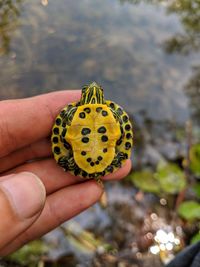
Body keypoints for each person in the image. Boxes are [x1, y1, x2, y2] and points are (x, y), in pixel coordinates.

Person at [0, 90, 131, 256]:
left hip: (76, 161)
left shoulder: (72, 112)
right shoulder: (113, 112)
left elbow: (64, 130)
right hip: (100, 159)